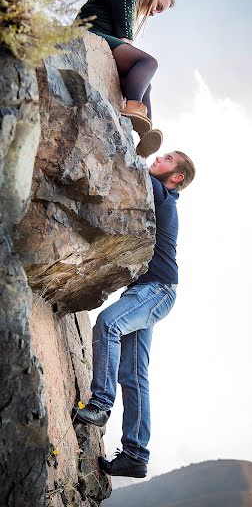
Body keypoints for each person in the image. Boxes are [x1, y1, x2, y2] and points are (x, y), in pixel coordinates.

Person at [74, 151, 196, 478]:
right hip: (151, 293)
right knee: (134, 373)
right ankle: (135, 454)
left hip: (156, 291)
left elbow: (131, 164)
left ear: (177, 177)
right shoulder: (163, 195)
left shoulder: (165, 194)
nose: (159, 157)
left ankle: (100, 405)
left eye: (168, 159)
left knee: (109, 323)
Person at [77, 0, 175, 158]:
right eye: (158, 6)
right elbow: (125, 37)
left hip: (102, 42)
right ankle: (133, 107)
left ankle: (146, 134)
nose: (154, 13)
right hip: (89, 35)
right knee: (148, 63)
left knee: (146, 84)